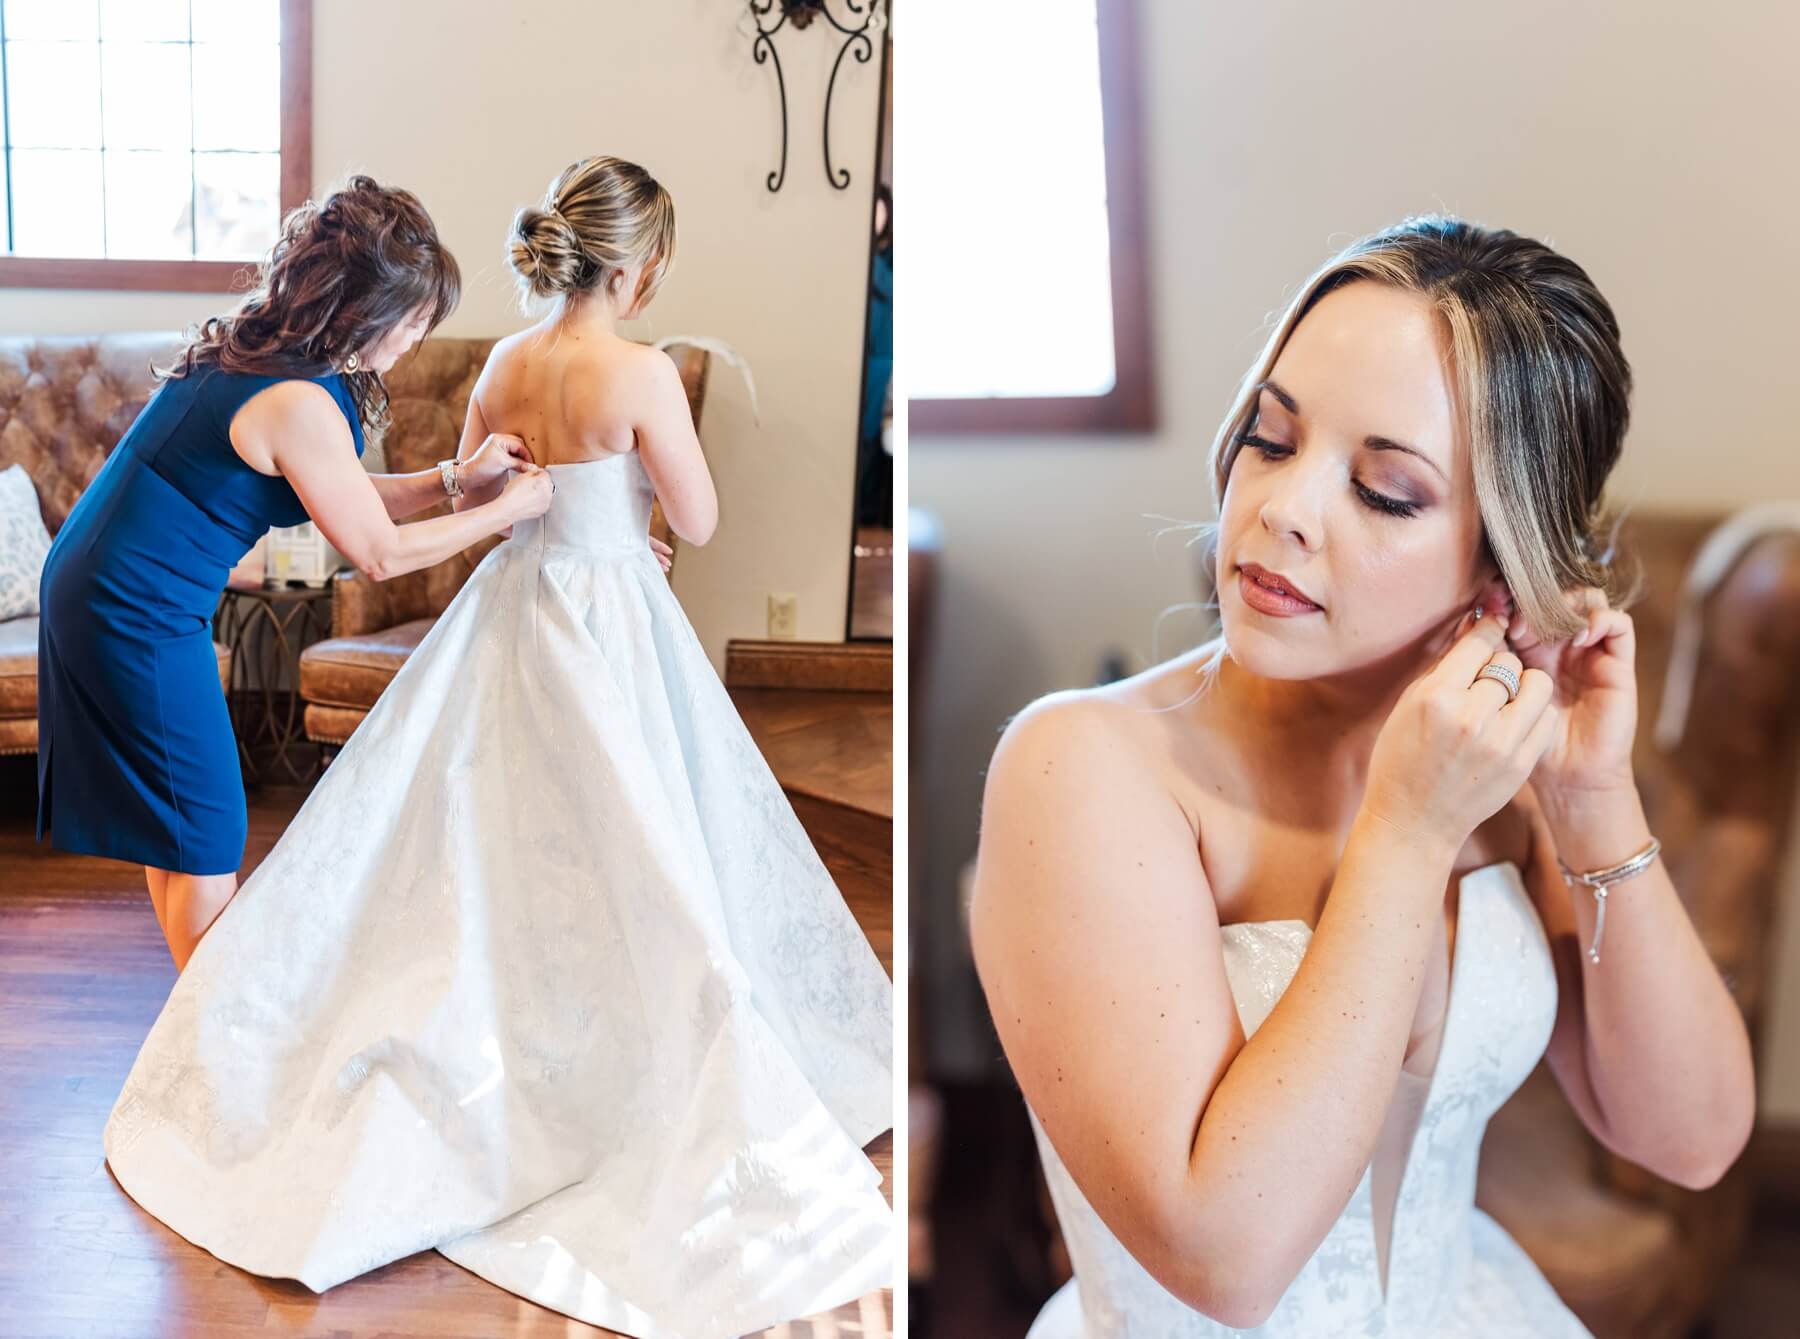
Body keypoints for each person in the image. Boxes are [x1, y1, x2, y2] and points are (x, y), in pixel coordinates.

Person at [102, 156, 894, 1339]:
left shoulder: (509, 364)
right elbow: (701, 517)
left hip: (516, 616)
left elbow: (479, 484)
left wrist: (565, 507)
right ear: (640, 268)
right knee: (648, 839)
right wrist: (630, 520)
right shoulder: (640, 371)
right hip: (612, 620)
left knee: (488, 843)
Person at [969, 216, 1755, 1336]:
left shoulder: (1499, 760)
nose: (1281, 511)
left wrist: (1589, 799)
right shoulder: (1083, 768)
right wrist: (1405, 833)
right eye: (1271, 438)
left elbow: (1693, 1138)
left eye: (1385, 490)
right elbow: (1225, 1260)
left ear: (1503, 557)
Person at [35, 175, 574, 970]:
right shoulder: (297, 400)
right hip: (132, 614)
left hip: (105, 592)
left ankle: (199, 1030)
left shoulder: (263, 357)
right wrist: (510, 510)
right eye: (417, 320)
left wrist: (462, 479)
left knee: (180, 831)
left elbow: (342, 494)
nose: (416, 339)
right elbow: (377, 553)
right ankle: (214, 1046)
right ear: (368, 311)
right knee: (208, 828)